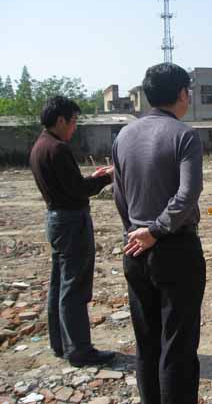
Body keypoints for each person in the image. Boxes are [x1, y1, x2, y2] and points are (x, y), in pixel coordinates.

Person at [112, 63, 205, 404]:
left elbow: (119, 193)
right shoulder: (184, 135)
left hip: (135, 249)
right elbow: (187, 193)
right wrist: (156, 230)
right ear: (181, 94)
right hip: (175, 248)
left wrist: (136, 231)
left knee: (147, 343)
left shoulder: (124, 136)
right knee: (178, 345)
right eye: (188, 91)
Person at [29, 96, 115, 367]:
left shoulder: (40, 146)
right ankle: (79, 350)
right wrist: (106, 178)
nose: (75, 127)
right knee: (75, 286)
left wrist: (93, 178)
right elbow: (77, 190)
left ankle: (60, 343)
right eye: (74, 121)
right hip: (70, 220)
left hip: (56, 218)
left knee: (60, 283)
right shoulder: (57, 149)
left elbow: (69, 184)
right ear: (61, 120)